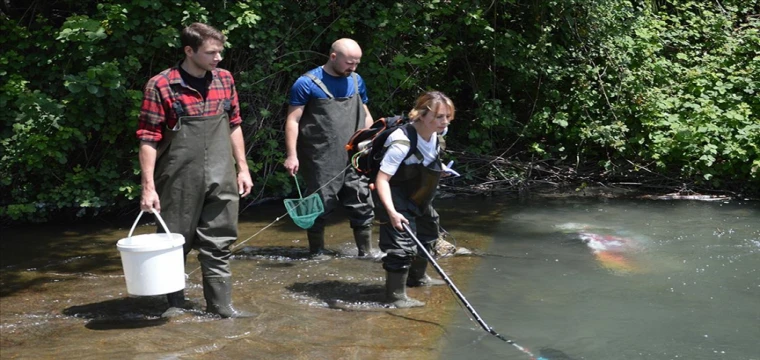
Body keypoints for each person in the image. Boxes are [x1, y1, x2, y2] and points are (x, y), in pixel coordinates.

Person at [136, 22, 253, 319]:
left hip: (222, 171)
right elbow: (148, 139)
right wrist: (148, 187)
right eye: (211, 53)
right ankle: (175, 304)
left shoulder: (225, 79)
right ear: (189, 51)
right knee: (176, 241)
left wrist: (243, 168)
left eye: (220, 52)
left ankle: (221, 307)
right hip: (178, 175)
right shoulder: (161, 85)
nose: (218, 59)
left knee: (220, 239)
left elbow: (234, 124)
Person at [283, 38, 375, 259]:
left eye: (356, 63)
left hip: (354, 155)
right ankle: (316, 253)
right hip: (320, 157)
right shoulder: (306, 83)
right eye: (349, 63)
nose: (352, 67)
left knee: (361, 200)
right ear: (333, 57)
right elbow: (293, 121)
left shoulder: (356, 80)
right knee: (320, 204)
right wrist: (292, 155)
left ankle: (367, 253)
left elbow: (365, 113)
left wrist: (372, 141)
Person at [374, 91, 455, 308]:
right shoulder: (401, 142)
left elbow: (427, 158)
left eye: (447, 116)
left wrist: (442, 169)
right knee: (400, 245)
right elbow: (381, 180)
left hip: (419, 194)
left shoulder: (439, 132)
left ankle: (418, 278)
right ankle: (395, 297)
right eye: (439, 117)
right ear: (421, 114)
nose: (445, 122)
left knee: (429, 230)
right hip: (393, 194)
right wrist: (392, 212)